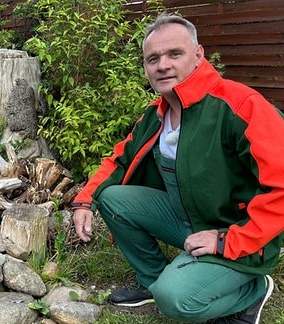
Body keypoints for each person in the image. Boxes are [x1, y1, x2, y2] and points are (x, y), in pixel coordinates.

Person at [71, 12, 284, 323]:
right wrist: (84, 200)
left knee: (175, 301)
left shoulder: (241, 106)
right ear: (145, 67)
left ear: (198, 56)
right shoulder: (155, 115)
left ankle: (252, 291)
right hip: (187, 219)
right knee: (112, 197)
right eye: (152, 58)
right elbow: (119, 159)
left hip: (240, 235)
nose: (163, 65)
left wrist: (227, 240)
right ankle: (153, 279)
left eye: (174, 54)